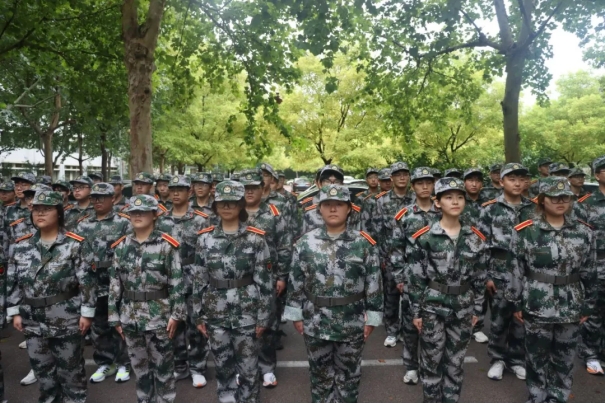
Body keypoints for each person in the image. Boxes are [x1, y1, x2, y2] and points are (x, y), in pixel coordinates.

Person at [284, 184, 383, 403]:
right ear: (319, 208)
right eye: (327, 204)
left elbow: (374, 282)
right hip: (315, 319)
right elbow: (295, 280)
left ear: (349, 209)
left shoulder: (363, 243)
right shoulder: (305, 243)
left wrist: (373, 317)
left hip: (352, 320)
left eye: (339, 204)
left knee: (349, 378)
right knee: (319, 377)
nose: (333, 209)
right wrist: (296, 314)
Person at [508, 177, 597, 402]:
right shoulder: (526, 231)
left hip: (571, 303)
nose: (560, 202)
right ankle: (537, 396)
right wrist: (516, 303)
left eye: (565, 197)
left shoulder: (583, 231)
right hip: (537, 302)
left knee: (565, 356)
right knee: (536, 355)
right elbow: (515, 269)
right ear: (542, 200)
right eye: (554, 198)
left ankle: (558, 397)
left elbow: (590, 271)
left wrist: (589, 305)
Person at [7, 190, 96, 402]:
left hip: (66, 316)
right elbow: (13, 280)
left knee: (71, 371)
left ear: (59, 213)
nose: (40, 213)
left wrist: (87, 313)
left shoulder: (75, 244)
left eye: (46, 209)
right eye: (36, 209)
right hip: (32, 318)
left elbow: (87, 282)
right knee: (43, 373)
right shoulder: (21, 245)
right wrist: (14, 311)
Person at [407, 177, 487, 402]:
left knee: (455, 363)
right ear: (438, 202)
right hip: (432, 307)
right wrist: (416, 312)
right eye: (449, 197)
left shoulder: (475, 238)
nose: (455, 202)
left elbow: (480, 277)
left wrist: (477, 310)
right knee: (431, 362)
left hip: (463, 307)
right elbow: (416, 278)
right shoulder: (425, 237)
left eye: (460, 197)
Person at [192, 180, 272, 403]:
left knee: (248, 366)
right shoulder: (205, 238)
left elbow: (265, 283)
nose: (226, 207)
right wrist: (198, 314)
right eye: (222, 203)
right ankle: (226, 399)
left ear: (241, 205)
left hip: (247, 311)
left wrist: (263, 317)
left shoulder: (256, 238)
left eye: (232, 202)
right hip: (215, 310)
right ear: (215, 206)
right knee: (222, 364)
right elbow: (199, 279)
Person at [108, 194, 185, 403]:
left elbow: (176, 282)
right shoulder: (122, 245)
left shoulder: (166, 245)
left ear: (154, 214)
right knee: (140, 368)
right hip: (129, 315)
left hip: (159, 315)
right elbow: (115, 284)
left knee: (163, 367)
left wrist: (176, 315)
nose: (137, 215)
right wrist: (113, 316)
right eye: (133, 212)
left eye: (142, 212)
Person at [479, 163, 533, 380]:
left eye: (521, 178)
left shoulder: (534, 208)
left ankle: (517, 359)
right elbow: (481, 244)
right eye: (512, 179)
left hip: (528, 272)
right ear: (501, 182)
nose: (517, 183)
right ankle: (497, 359)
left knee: (522, 318)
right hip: (499, 270)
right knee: (499, 317)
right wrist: (486, 275)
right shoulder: (490, 209)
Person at [240, 169, 292, 388]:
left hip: (267, 278)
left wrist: (282, 276)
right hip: (240, 278)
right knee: (241, 326)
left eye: (254, 188)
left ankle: (267, 368)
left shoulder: (273, 213)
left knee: (267, 324)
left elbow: (284, 246)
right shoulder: (233, 212)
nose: (249, 192)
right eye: (245, 188)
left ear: (263, 189)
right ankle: (243, 368)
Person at [157, 175, 210, 388]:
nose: (176, 193)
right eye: (173, 189)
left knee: (196, 323)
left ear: (190, 192)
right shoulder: (161, 220)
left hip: (193, 276)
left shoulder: (201, 219)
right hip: (169, 279)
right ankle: (180, 366)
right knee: (173, 325)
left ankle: (198, 367)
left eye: (181, 189)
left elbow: (207, 250)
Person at [76, 183, 132, 384]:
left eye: (102, 197)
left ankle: (124, 362)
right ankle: (105, 362)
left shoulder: (123, 222)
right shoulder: (83, 224)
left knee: (120, 323)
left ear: (112, 199)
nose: (97, 201)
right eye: (94, 197)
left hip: (116, 281)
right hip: (93, 282)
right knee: (99, 325)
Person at [391, 167, 440, 385]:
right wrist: (399, 277)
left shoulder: (443, 212)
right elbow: (396, 248)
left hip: (438, 278)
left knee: (436, 323)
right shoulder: (404, 215)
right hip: (412, 277)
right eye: (420, 183)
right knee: (411, 324)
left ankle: (432, 364)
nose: (425, 186)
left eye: (428, 182)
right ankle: (411, 365)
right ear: (413, 186)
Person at [367, 161, 415, 347]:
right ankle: (392, 330)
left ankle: (410, 329)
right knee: (391, 295)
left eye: (405, 174)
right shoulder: (382, 201)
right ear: (392, 178)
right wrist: (380, 257)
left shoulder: (416, 198)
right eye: (398, 175)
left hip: (414, 257)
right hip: (390, 256)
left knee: (413, 296)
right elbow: (376, 231)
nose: (402, 177)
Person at [578, 155, 605, 375]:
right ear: (597, 175)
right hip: (597, 264)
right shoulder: (585, 204)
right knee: (594, 312)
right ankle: (591, 354)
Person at [301, 165, 361, 235]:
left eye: (337, 181)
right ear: (320, 184)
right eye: (327, 181)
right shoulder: (309, 209)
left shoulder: (353, 211)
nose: (332, 185)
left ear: (342, 184)